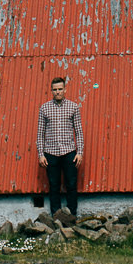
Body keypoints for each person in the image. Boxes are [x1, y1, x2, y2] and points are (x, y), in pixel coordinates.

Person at [36, 75, 83, 216]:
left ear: (65, 89)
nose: (58, 92)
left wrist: (79, 152)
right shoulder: (44, 108)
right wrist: (41, 154)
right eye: (55, 89)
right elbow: (40, 133)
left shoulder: (73, 107)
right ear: (51, 90)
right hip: (51, 153)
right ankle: (55, 216)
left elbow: (79, 131)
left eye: (60, 89)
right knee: (54, 186)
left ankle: (72, 215)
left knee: (71, 185)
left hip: (69, 152)